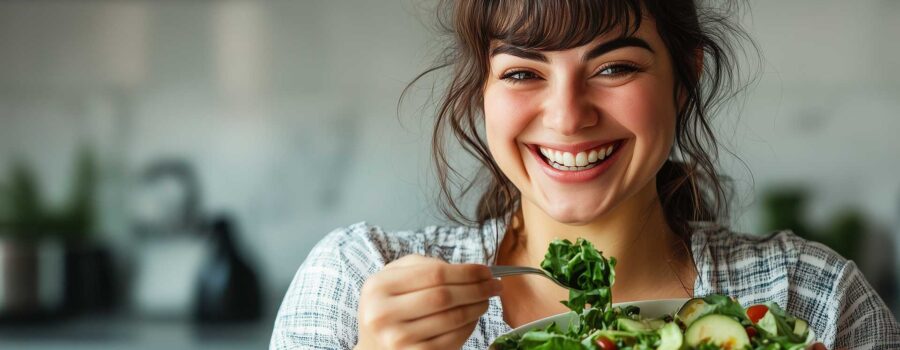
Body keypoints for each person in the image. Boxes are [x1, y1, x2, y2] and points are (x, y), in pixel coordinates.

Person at [270, 0, 900, 349]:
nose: (568, 117)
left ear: (686, 80)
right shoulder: (357, 280)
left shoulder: (812, 298)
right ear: (481, 93)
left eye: (615, 67)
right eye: (522, 72)